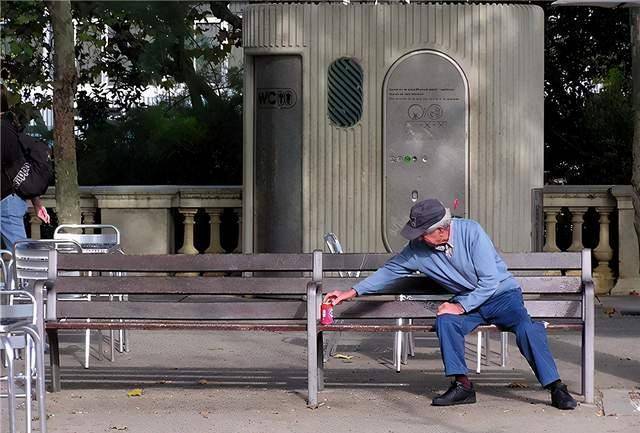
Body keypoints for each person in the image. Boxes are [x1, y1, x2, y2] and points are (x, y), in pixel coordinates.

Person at [323, 198, 578, 410]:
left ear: (442, 229)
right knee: (446, 320)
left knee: (526, 329)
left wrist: (461, 306)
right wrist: (352, 292)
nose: (418, 239)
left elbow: (489, 282)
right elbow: (389, 272)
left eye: (423, 233)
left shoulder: (472, 232)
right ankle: (462, 386)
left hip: (501, 296)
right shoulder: (416, 249)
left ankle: (556, 387)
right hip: (469, 301)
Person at [1, 86, 50, 249]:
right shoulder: (8, 127)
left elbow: (11, 163)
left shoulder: (4, 130)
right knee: (18, 253)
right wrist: (36, 202)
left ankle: (30, 274)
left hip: (7, 200)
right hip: (9, 199)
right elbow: (20, 165)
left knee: (20, 254)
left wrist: (36, 202)